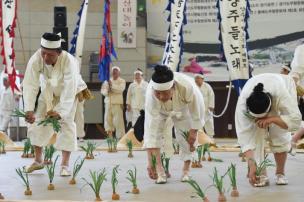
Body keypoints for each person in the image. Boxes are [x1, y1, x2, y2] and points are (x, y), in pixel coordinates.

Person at [22, 32, 79, 176]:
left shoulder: (69, 61)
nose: (46, 57)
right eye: (43, 53)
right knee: (37, 121)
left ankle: (65, 165)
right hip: (48, 92)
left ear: (58, 53)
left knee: (66, 124)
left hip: (69, 94)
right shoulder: (36, 58)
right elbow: (30, 84)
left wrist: (60, 112)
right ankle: (38, 160)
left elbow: (69, 89)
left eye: (50, 55)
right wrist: (28, 109)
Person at [235, 73, 301, 187]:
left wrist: (274, 119)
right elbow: (245, 138)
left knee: (279, 135)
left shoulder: (281, 94)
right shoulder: (242, 105)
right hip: (259, 86)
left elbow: (295, 121)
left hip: (283, 84)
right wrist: (251, 164)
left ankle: (280, 173)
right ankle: (262, 174)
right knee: (256, 138)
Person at [144, 65, 205, 184]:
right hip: (160, 111)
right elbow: (151, 130)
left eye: (165, 93)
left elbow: (197, 109)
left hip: (182, 109)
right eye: (158, 93)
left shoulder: (186, 86)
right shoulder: (151, 95)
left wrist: (194, 130)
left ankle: (186, 170)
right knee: (156, 134)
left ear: (173, 88)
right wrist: (150, 162)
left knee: (186, 137)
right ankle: (160, 170)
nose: (161, 97)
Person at [100, 66, 126, 139]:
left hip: (117, 103)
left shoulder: (122, 81)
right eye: (113, 71)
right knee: (108, 120)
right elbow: (102, 91)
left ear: (119, 72)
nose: (114, 72)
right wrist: (107, 91)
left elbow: (120, 89)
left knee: (118, 121)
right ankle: (110, 137)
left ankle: (120, 138)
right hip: (108, 103)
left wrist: (112, 85)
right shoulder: (106, 81)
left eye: (116, 71)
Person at [195, 72, 215, 139]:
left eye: (198, 78)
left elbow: (212, 96)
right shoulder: (194, 86)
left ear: (202, 79)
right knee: (199, 124)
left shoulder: (207, 86)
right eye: (195, 78)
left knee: (209, 123)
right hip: (198, 109)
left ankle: (211, 138)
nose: (196, 80)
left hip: (207, 109)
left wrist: (211, 106)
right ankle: (201, 140)